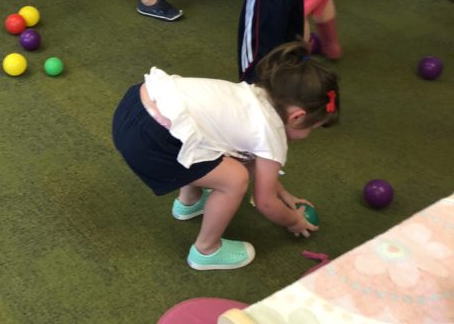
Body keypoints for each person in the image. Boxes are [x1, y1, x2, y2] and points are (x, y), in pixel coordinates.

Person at [112, 40, 339, 271]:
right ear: (298, 117)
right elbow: (265, 202)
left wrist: (283, 193)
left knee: (210, 145)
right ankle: (206, 250)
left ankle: (189, 202)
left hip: (136, 106)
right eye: (313, 128)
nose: (308, 135)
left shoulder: (254, 96)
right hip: (151, 141)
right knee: (235, 179)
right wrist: (294, 220)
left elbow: (256, 163)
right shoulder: (272, 132)